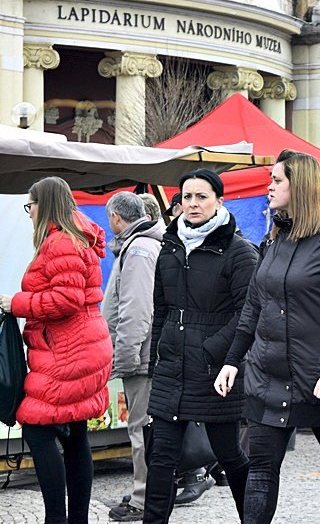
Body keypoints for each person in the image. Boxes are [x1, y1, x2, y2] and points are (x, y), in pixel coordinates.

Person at [214, 150, 320, 524]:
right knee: (261, 469)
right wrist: (232, 361)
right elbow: (253, 305)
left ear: (298, 186)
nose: (269, 187)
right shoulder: (274, 240)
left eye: (276, 180)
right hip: (271, 377)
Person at [143, 169, 257, 524]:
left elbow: (248, 314)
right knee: (160, 456)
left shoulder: (239, 251)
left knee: (229, 455)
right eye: (187, 197)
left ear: (219, 201)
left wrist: (213, 350)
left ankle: (254, 517)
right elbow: (161, 309)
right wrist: (155, 360)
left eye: (201, 196)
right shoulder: (170, 245)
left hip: (214, 368)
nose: (192, 204)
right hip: (171, 367)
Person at [0, 176, 112, 524]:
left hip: (69, 349)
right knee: (75, 430)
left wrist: (15, 302)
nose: (29, 213)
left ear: (43, 204)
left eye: (30, 206)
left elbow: (66, 299)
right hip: (82, 344)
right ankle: (75, 519)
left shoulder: (60, 241)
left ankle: (57, 520)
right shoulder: (76, 236)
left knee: (35, 425)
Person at [102, 192, 165, 522]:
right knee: (146, 431)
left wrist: (123, 358)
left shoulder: (138, 249)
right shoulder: (143, 244)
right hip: (144, 354)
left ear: (116, 217)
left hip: (141, 357)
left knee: (142, 433)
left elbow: (136, 311)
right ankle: (148, 492)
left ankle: (143, 500)